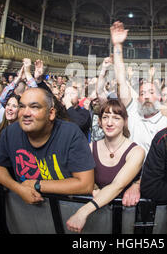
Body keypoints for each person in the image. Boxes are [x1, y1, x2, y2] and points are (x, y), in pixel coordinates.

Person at [0, 87, 95, 204]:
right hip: (25, 215)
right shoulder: (10, 133)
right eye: (22, 107)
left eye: (34, 107)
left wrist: (37, 185)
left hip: (65, 214)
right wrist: (18, 188)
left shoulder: (70, 133)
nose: (25, 113)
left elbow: (86, 184)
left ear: (51, 113)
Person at [110, 21, 167, 205]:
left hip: (149, 184)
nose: (145, 96)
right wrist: (117, 45)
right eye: (142, 93)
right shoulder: (133, 112)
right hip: (121, 178)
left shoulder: (166, 126)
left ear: (159, 98)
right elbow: (121, 79)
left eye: (151, 93)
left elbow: (163, 165)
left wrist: (138, 183)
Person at [66, 99, 145, 233]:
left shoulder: (136, 151)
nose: (109, 123)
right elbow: (83, 179)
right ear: (99, 122)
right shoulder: (90, 148)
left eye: (116, 118)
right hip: (98, 218)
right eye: (105, 117)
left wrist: (82, 212)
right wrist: (94, 187)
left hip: (126, 220)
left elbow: (117, 185)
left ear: (125, 121)